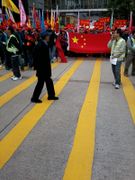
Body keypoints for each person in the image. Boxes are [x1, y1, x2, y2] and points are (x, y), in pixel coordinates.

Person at [31, 31, 59, 103]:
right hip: (42, 68)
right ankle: (34, 98)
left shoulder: (44, 43)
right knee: (40, 83)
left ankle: (51, 96)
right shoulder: (40, 45)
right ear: (45, 37)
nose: (49, 37)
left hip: (45, 68)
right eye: (48, 36)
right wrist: (37, 66)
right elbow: (36, 56)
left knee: (49, 81)